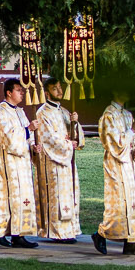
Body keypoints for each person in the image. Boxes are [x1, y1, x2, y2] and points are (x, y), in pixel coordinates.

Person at [0, 79, 39, 248]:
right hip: (7, 161)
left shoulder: (20, 112)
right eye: (18, 90)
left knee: (23, 197)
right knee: (7, 196)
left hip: (22, 162)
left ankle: (19, 233)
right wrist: (28, 130)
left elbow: (26, 134)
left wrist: (33, 145)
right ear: (9, 92)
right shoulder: (0, 112)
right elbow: (8, 137)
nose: (22, 93)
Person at [95, 93, 135, 255]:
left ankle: (132, 242)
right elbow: (115, 143)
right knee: (119, 206)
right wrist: (131, 131)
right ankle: (100, 234)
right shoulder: (109, 115)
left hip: (130, 165)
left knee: (133, 204)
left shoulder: (127, 114)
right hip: (116, 165)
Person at [32, 76, 85, 243]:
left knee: (68, 196)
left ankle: (69, 229)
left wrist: (75, 124)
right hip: (53, 162)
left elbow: (77, 136)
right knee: (56, 197)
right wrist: (69, 145)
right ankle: (56, 231)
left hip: (67, 162)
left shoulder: (64, 112)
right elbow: (49, 139)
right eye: (55, 89)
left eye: (60, 88)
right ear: (47, 93)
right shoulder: (42, 113)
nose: (60, 91)